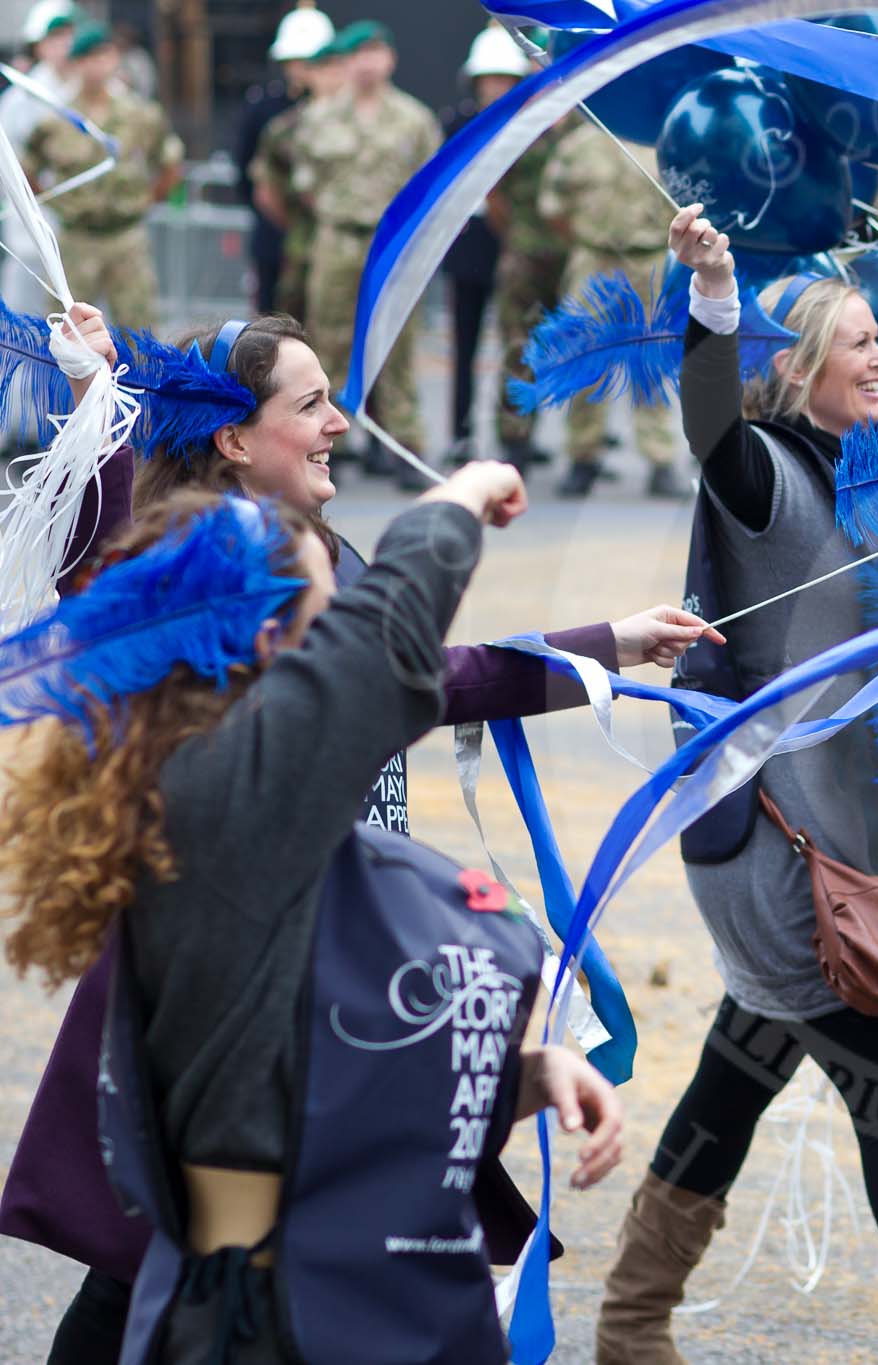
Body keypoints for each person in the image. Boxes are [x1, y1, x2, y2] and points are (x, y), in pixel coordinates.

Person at [0, 305, 720, 1364]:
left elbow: (428, 673)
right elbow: (121, 578)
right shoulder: (207, 649)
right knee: (181, 1266)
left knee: (182, 1274)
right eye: (312, 403)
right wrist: (99, 408)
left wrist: (603, 647)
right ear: (236, 438)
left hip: (335, 993)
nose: (340, 421)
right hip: (249, 1004)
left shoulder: (313, 555)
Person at [591, 204, 878, 1364]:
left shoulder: (869, 485)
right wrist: (713, 294)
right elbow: (708, 419)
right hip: (780, 858)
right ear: (799, 370)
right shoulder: (764, 482)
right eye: (858, 342)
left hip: (845, 847)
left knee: (738, 1069)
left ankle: (628, 1324)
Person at [293, 19, 442, 468]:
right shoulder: (319, 117)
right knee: (328, 344)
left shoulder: (414, 120)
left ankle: (404, 445)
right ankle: (324, 442)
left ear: (390, 60)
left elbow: (430, 185)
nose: (367, 64)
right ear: (346, 61)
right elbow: (305, 183)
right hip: (337, 240)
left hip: (391, 247)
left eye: (376, 53)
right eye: (358, 55)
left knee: (396, 344)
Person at [541, 120, 688, 500]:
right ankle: (582, 457)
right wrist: (587, 240)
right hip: (594, 261)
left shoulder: (663, 146)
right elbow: (553, 205)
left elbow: (687, 203)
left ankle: (660, 460)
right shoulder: (578, 146)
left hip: (650, 262)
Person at [21, 22, 182, 329]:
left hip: (126, 237)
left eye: (103, 56)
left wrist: (147, 200)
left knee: (139, 333)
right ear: (76, 64)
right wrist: (54, 203)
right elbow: (26, 169)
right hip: (76, 237)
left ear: (114, 59)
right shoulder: (58, 119)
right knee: (66, 331)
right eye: (87, 58)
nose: (96, 66)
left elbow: (171, 162)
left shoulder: (141, 115)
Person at [434, 26, 530, 489]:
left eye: (503, 79)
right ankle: (460, 430)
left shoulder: (531, 125)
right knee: (465, 344)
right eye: (487, 79)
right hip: (469, 243)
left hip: (519, 249)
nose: (495, 88)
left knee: (519, 344)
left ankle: (517, 435)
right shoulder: (457, 123)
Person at [234, 2, 334, 316]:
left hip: (328, 236)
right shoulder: (265, 109)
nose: (301, 69)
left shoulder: (338, 112)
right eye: (293, 61)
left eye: (309, 61)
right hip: (276, 235)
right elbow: (248, 170)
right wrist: (277, 216)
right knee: (271, 320)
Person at [490, 104, 573, 472]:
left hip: (572, 255)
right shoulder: (520, 126)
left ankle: (584, 450)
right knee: (519, 346)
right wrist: (516, 236)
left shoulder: (584, 125)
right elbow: (494, 193)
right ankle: (516, 436)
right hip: (525, 255)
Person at [250, 33, 345, 327]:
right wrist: (294, 225)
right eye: (322, 69)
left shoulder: (364, 125)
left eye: (336, 68)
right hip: (300, 242)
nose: (330, 78)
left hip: (350, 245)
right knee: (291, 324)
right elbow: (266, 187)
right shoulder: (286, 127)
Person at [0, 0, 73, 318]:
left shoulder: (87, 91)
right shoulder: (23, 95)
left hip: (78, 226)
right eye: (54, 38)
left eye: (68, 35)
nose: (63, 46)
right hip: (31, 221)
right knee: (25, 314)